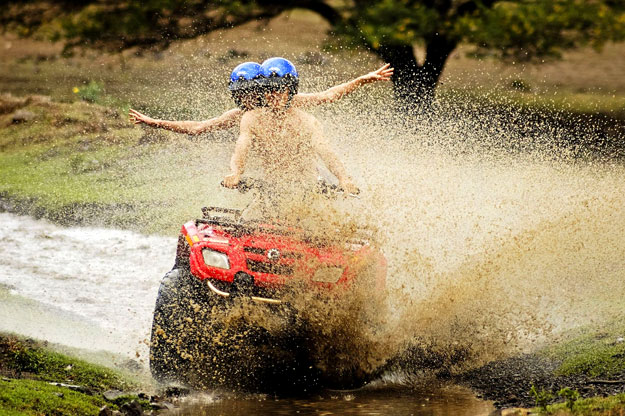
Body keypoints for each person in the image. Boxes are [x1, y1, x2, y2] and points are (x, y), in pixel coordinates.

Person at [223, 57, 362, 203]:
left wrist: (343, 179)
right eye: (269, 89)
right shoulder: (250, 118)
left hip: (310, 186)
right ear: (261, 91)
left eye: (280, 89)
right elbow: (241, 147)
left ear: (291, 90)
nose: (274, 95)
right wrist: (236, 173)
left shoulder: (307, 122)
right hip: (272, 188)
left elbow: (326, 153)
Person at [128, 62, 393, 135]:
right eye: (240, 95)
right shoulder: (241, 116)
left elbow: (328, 96)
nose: (245, 100)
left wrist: (363, 79)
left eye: (249, 94)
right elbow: (199, 127)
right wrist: (154, 121)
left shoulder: (289, 102)